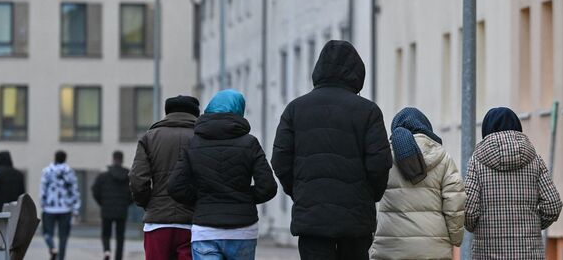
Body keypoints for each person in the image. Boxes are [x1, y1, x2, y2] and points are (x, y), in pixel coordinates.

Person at [272, 40, 393, 259]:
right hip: (355, 218)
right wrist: (369, 195)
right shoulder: (368, 111)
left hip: (312, 219)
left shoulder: (295, 109)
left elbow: (280, 159)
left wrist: (300, 190)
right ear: (356, 72)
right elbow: (380, 162)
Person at [169, 89, 277, 260]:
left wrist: (201, 199)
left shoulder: (194, 143)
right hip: (243, 229)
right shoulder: (250, 143)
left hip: (205, 229)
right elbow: (268, 187)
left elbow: (175, 186)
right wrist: (244, 197)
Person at [464, 107, 563, 259]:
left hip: (487, 254)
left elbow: (469, 210)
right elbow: (553, 205)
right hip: (529, 254)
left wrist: (478, 227)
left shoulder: (476, 162)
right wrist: (533, 226)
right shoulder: (535, 160)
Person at [371, 108, 465, 260]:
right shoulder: (443, 158)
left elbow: (370, 196)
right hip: (434, 248)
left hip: (390, 246)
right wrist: (455, 239)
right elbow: (455, 202)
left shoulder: (384, 158)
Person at [130, 95, 201, 260]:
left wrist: (148, 203)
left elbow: (138, 179)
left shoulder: (149, 137)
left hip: (158, 222)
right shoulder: (202, 138)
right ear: (196, 113)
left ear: (167, 112)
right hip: (192, 222)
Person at [92, 151, 133, 260]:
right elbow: (134, 192)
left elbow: (95, 191)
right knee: (120, 236)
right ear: (122, 159)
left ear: (113, 159)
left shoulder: (103, 176)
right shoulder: (128, 177)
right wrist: (126, 203)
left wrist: (102, 203)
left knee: (106, 234)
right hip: (122, 211)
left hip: (107, 210)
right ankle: (118, 257)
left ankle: (107, 251)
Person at [40, 150, 81, 260]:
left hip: (49, 208)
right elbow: (74, 190)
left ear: (55, 157)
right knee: (63, 237)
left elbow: (43, 189)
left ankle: (53, 248)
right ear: (65, 158)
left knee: (47, 233)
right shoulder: (69, 171)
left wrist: (42, 203)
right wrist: (76, 208)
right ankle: (61, 257)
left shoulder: (47, 171)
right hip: (65, 208)